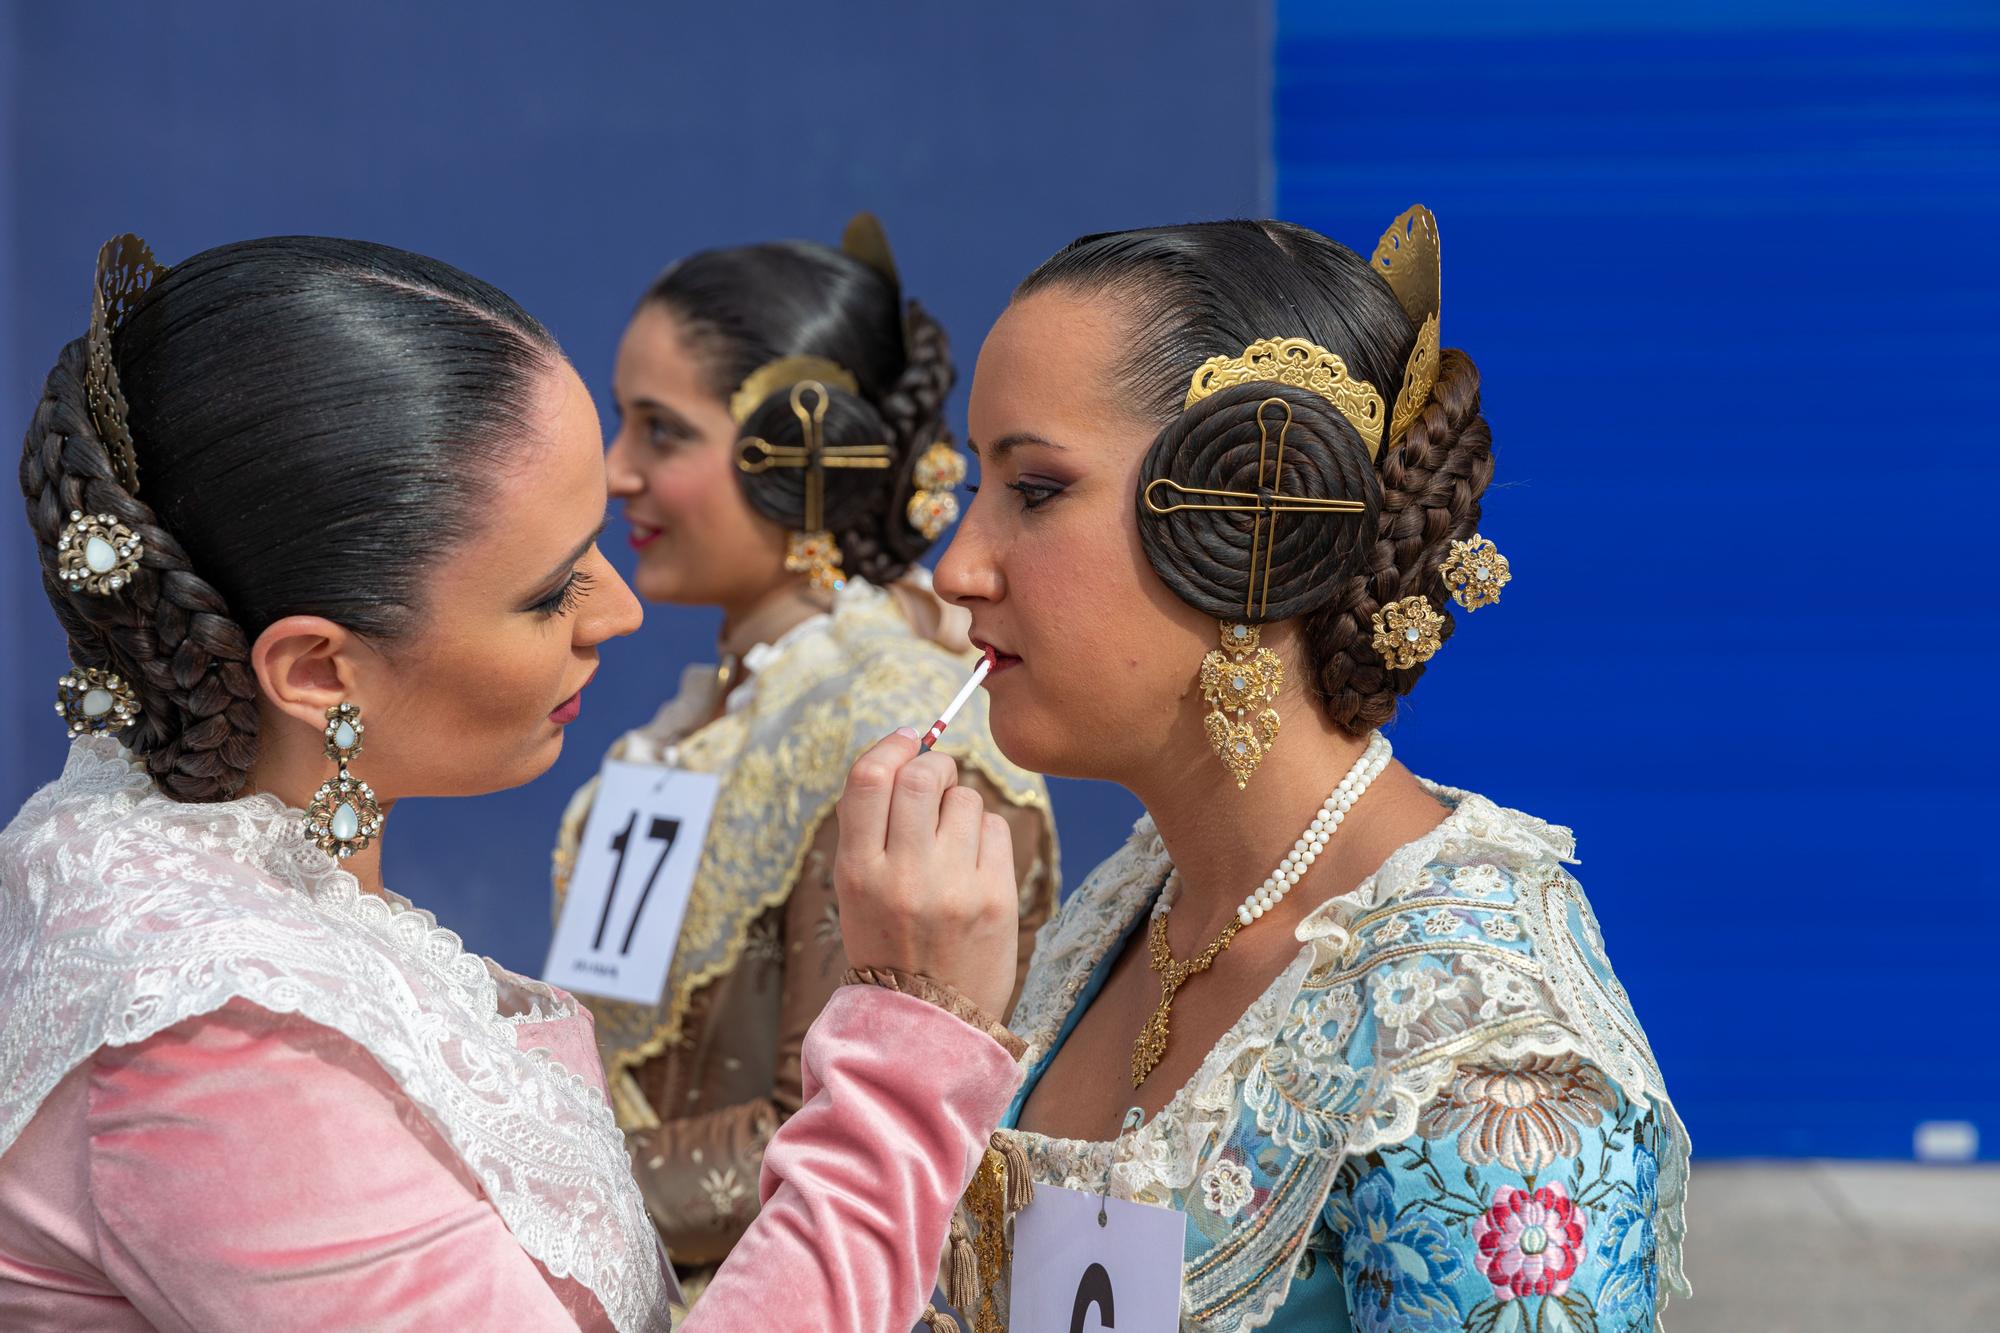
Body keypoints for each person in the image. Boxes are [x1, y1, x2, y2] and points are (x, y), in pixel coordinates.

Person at [0, 234, 1029, 1333]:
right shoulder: (216, 1036)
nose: (618, 611)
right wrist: (909, 1052)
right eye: (548, 593)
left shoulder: (178, 879)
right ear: (316, 671)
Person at [930, 210, 1690, 1331]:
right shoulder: (1131, 905)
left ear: (1256, 519)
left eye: (1034, 491)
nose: (957, 565)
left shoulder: (1482, 1046)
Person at [552, 215, 1056, 1293]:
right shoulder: (714, 712)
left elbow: (839, 1120)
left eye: (660, 431)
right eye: (619, 423)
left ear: (806, 456)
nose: (615, 472)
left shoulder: (902, 720)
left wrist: (509, 1175)